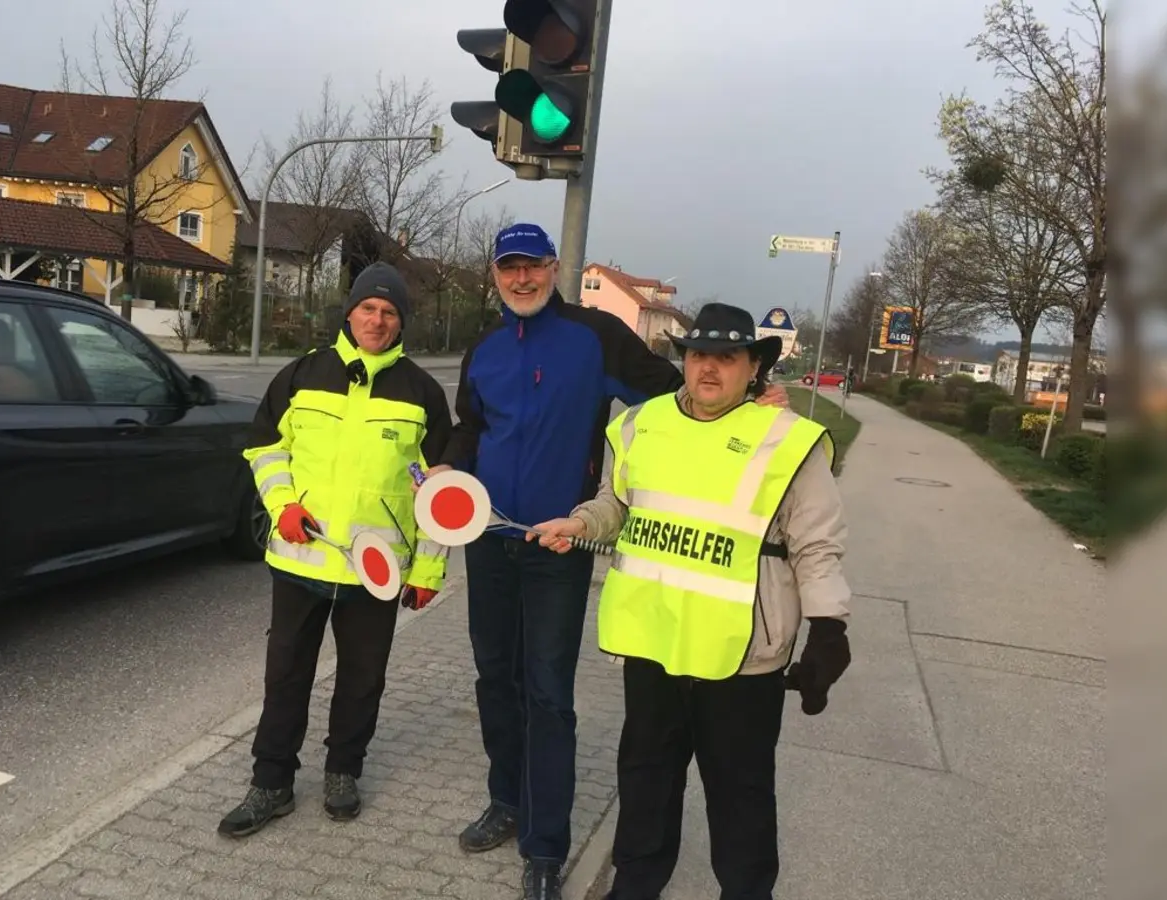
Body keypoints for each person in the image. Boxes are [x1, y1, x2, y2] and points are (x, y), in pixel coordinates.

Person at [529, 302, 855, 900]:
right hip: (654, 641)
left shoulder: (787, 440)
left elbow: (816, 546)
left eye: (727, 357)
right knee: (645, 781)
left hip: (742, 654)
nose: (709, 367)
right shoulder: (640, 425)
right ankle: (635, 886)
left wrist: (828, 627)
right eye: (699, 354)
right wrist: (579, 524)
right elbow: (617, 504)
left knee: (740, 794)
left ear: (753, 367)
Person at [422, 223, 686, 900]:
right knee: (494, 678)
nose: (521, 279)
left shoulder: (595, 336)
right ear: (494, 274)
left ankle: (545, 847)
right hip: (488, 540)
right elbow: (472, 427)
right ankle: (507, 799)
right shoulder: (483, 348)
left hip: (558, 545)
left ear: (554, 266)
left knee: (547, 694)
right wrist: (447, 466)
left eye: (532, 266)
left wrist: (751, 399)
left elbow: (671, 398)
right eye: (508, 268)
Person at [219, 262, 453, 838]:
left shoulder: (422, 394)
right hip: (301, 559)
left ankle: (344, 771)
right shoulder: (301, 375)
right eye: (368, 308)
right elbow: (266, 449)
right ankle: (271, 782)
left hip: (376, 572)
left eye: (389, 312)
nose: (377, 320)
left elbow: (441, 496)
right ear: (349, 313)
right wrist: (283, 506)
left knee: (362, 679)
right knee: (286, 675)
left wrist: (427, 570)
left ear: (402, 322)